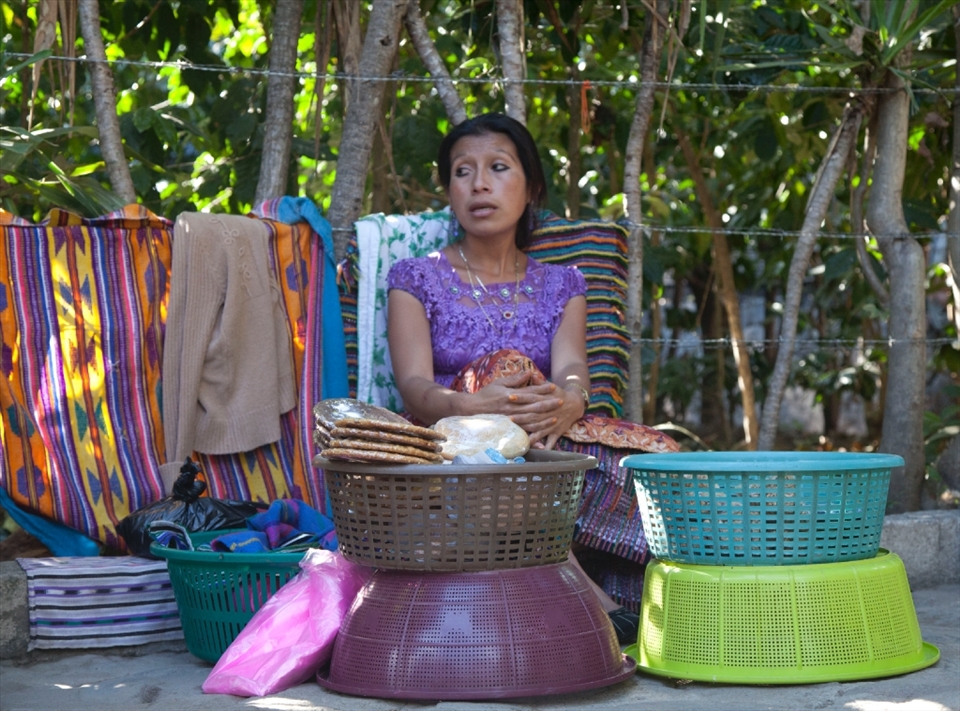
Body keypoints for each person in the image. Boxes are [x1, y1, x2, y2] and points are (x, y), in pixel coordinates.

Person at [386, 112, 676, 643]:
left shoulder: (563, 283)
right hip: (449, 440)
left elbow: (571, 369)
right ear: (448, 189)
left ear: (532, 187)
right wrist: (470, 408)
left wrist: (570, 399)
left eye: (498, 167)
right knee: (502, 390)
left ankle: (687, 593)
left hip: (546, 434)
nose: (478, 184)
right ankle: (596, 606)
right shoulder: (414, 276)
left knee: (662, 470)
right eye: (462, 171)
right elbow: (413, 387)